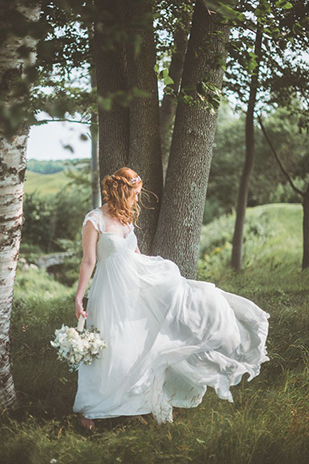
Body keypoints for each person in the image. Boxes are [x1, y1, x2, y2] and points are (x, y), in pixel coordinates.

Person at [73, 167, 270, 430]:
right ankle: (93, 408)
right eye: (134, 194)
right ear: (123, 191)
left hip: (132, 290)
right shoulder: (94, 220)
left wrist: (158, 274)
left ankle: (134, 403)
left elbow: (137, 255)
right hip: (108, 291)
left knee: (134, 345)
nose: (136, 200)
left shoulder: (126, 220)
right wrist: (78, 297)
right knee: (109, 346)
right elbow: (89, 261)